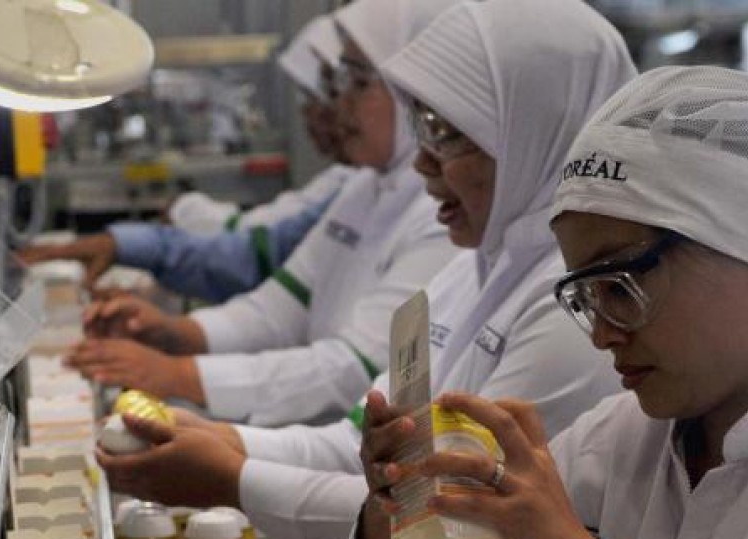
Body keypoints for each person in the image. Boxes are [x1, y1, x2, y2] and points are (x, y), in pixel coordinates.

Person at [328, 64, 748, 539]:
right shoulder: (615, 443)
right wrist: (395, 513)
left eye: (621, 285)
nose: (601, 334)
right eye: (586, 298)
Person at [94, 0, 634, 539]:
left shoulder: (574, 308)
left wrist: (236, 478)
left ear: (533, 132)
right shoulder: (478, 269)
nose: (423, 164)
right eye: (423, 127)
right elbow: (364, 442)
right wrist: (223, 439)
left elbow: (445, 512)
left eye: (449, 134)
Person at [64, 0, 462, 428]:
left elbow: (355, 368)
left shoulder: (442, 215)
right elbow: (281, 306)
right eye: (336, 83)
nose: (339, 106)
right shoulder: (366, 186)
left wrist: (179, 374)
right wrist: (176, 334)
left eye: (358, 82)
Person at [18, 14, 354, 302]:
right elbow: (261, 243)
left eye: (321, 98)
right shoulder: (353, 184)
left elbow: (254, 252)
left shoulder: (361, 189)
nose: (313, 116)